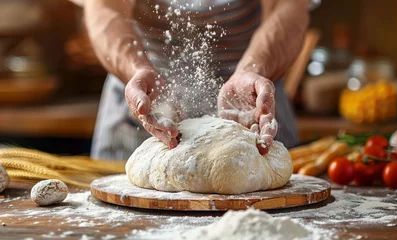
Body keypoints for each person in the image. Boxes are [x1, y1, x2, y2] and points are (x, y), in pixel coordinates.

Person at [83, 0, 319, 160]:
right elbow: (104, 8)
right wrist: (136, 69)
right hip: (147, 106)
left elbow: (288, 6)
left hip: (251, 105)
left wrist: (252, 69)